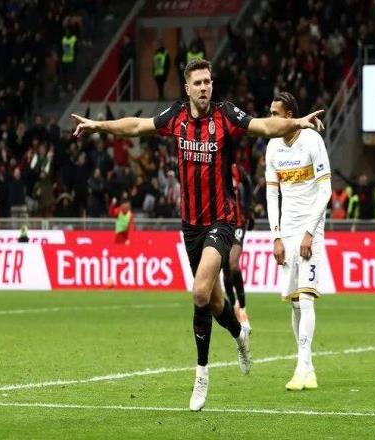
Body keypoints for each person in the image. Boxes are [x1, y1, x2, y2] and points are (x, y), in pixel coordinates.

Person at [72, 59, 324, 411]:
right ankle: (239, 334)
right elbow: (137, 126)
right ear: (187, 88)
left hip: (221, 220)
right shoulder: (176, 116)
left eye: (208, 81)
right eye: (198, 83)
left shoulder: (226, 115)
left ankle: (201, 376)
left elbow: (264, 125)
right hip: (190, 225)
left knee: (199, 291)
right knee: (215, 301)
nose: (205, 87)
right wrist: (99, 125)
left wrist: (296, 122)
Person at [265, 92, 331, 392]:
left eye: (275, 113)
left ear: (290, 115)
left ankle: (301, 367)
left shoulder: (312, 141)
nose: (271, 118)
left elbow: (325, 191)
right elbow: (271, 194)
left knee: (306, 298)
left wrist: (309, 232)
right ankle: (309, 368)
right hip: (288, 231)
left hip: (311, 228)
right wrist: (276, 236)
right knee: (294, 302)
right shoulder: (272, 146)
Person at [223, 163, 254, 331]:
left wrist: (249, 210)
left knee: (233, 263)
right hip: (220, 225)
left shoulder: (235, 169)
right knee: (226, 269)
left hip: (238, 224)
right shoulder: (212, 166)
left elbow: (248, 184)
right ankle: (234, 306)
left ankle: (242, 309)